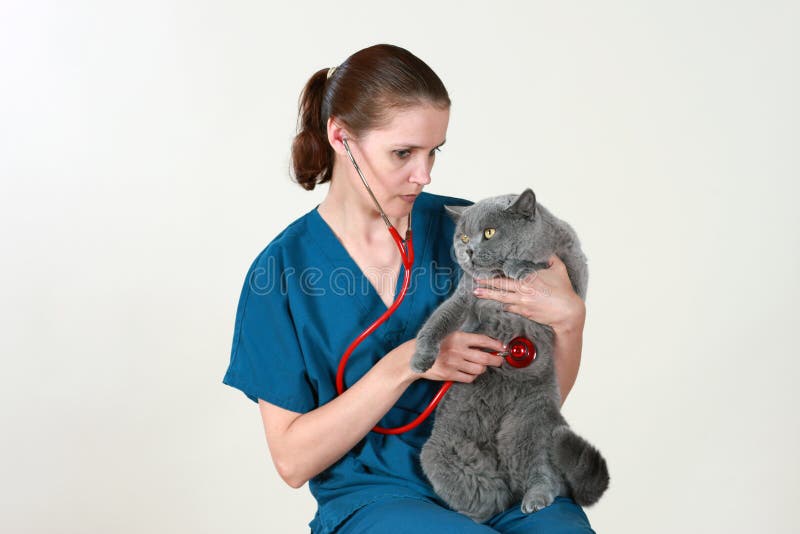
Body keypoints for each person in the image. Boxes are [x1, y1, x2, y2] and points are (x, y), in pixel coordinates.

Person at [222, 44, 594, 533]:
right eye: (403, 153)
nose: (424, 175)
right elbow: (292, 461)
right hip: (378, 498)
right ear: (341, 137)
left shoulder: (469, 234)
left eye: (433, 151)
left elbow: (538, 399)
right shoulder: (282, 275)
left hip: (497, 478)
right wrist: (405, 364)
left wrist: (569, 322)